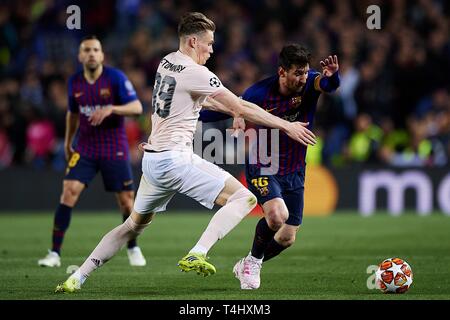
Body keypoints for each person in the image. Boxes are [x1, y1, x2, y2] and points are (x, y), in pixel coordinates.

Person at [55, 12, 316, 293]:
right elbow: (242, 106)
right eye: (209, 43)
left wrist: (234, 109)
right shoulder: (197, 73)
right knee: (245, 197)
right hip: (174, 159)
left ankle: (77, 277)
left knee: (132, 226)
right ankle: (199, 252)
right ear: (193, 41)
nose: (212, 50)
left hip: (152, 160)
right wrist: (284, 126)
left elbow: (203, 102)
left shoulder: (166, 63)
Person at [202, 44, 340, 289]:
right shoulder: (258, 93)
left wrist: (333, 76)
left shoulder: (310, 83)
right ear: (281, 72)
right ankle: (254, 263)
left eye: (305, 72)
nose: (303, 78)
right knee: (276, 216)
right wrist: (193, 113)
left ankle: (247, 262)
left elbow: (327, 85)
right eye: (297, 73)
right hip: (263, 163)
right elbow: (231, 108)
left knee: (287, 237)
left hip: (295, 168)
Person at [38, 35, 146, 268]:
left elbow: (137, 107)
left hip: (114, 147)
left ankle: (132, 246)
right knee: (69, 191)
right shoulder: (74, 82)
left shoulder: (115, 78)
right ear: (80, 56)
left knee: (127, 202)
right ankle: (54, 253)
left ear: (102, 55)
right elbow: (73, 115)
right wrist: (68, 143)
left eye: (95, 50)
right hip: (85, 147)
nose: (91, 54)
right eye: (86, 50)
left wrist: (112, 108)